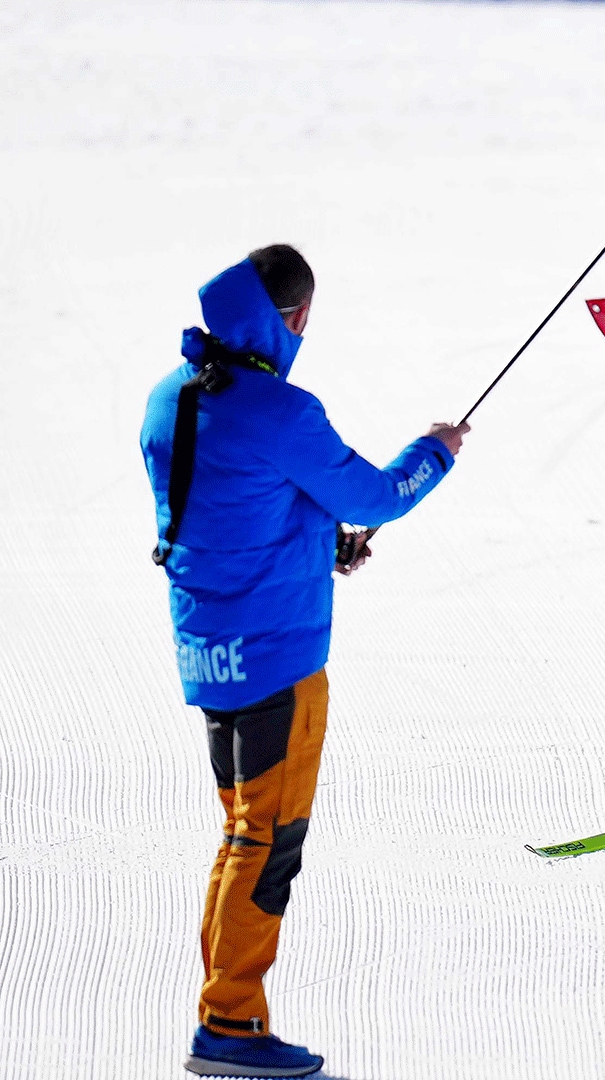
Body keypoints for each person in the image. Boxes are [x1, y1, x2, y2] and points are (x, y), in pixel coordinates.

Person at [141, 245, 468, 1078]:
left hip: (207, 652)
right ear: (291, 319)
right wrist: (434, 451)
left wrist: (320, 543)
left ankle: (224, 1010)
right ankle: (229, 1025)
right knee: (268, 842)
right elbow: (374, 495)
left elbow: (228, 508)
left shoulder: (168, 398)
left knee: (242, 833)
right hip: (279, 657)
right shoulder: (280, 409)